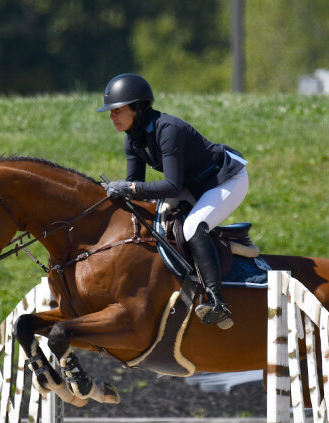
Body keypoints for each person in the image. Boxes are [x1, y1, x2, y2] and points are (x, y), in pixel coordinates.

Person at [98, 73, 248, 330]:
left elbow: (170, 186)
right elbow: (136, 187)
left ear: (138, 107)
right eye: (111, 111)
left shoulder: (168, 130)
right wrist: (119, 193)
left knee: (192, 227)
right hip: (192, 185)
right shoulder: (132, 140)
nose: (112, 116)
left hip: (225, 181)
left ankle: (217, 301)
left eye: (118, 110)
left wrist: (128, 187)